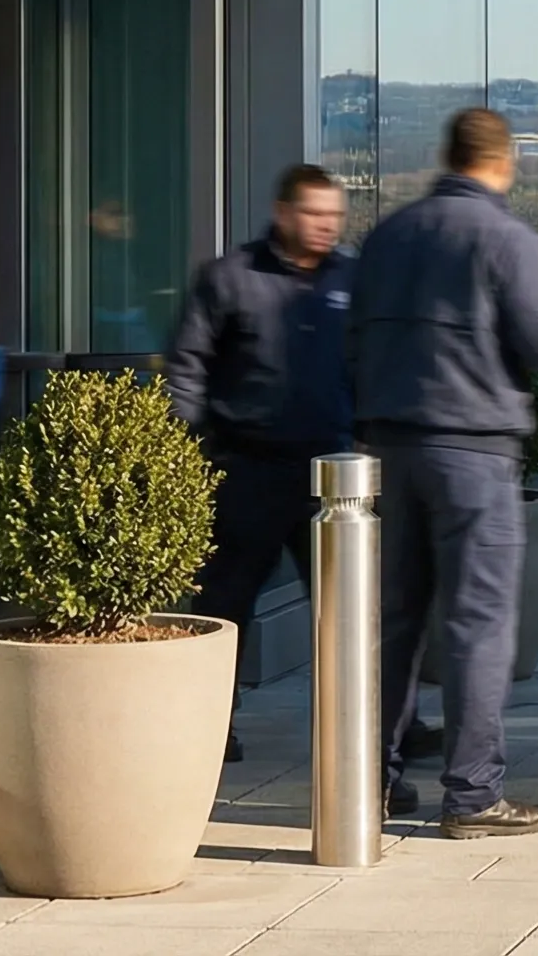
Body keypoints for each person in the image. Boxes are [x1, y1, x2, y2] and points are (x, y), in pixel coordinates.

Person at [349, 108, 538, 837]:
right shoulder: (505, 239)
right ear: (502, 164)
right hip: (472, 454)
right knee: (477, 625)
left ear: (447, 157)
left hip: (385, 452)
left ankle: (369, 786)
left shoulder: (386, 236)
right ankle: (473, 796)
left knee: (393, 624)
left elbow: (349, 342)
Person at [167, 164, 445, 763]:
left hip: (335, 477)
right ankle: (210, 726)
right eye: (315, 215)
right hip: (247, 470)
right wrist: (189, 450)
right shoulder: (230, 278)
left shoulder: (353, 277)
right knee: (225, 605)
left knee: (359, 606)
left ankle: (391, 724)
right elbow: (187, 365)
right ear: (284, 212)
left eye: (335, 217)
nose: (327, 227)